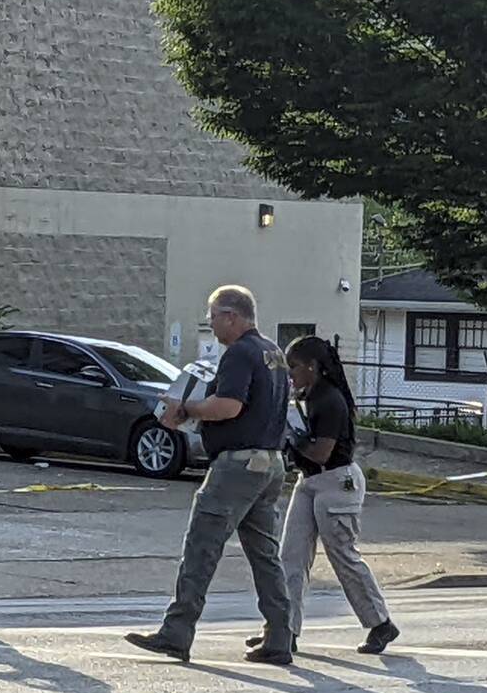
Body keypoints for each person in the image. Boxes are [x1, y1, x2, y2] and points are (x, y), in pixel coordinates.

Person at [125, 285, 295, 665]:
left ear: (232, 316)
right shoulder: (274, 353)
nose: (211, 323)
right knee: (265, 553)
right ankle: (280, 634)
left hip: (237, 465)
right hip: (270, 462)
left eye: (214, 316)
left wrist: (186, 408)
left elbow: (229, 406)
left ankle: (177, 631)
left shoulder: (239, 353)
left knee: (202, 546)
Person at [247, 335, 399, 655]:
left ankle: (380, 623)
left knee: (342, 555)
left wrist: (293, 436)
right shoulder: (308, 396)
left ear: (313, 367)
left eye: (295, 367)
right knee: (291, 556)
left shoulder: (330, 400)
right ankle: (283, 630)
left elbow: (321, 452)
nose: (290, 374)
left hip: (337, 481)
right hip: (311, 481)